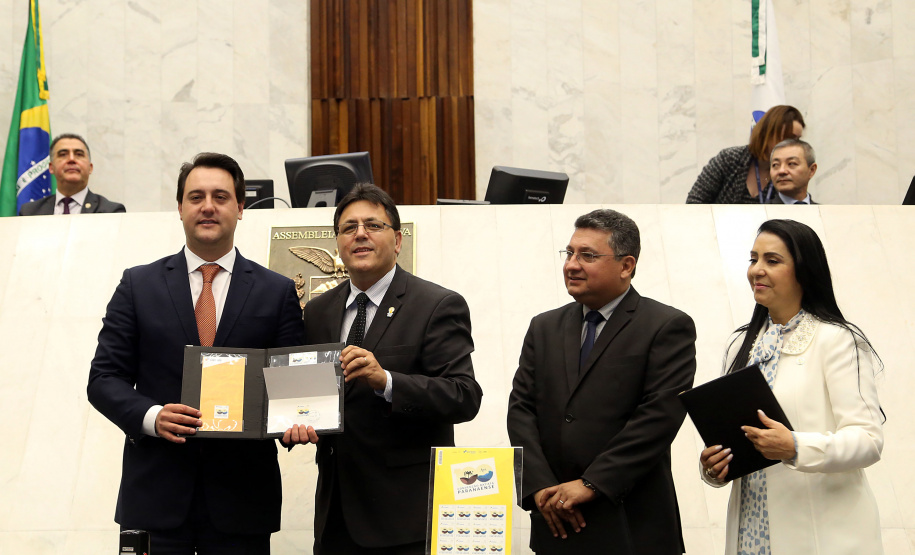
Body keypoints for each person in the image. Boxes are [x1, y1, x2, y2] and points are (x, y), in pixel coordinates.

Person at [87, 152, 304, 554]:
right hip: (155, 499)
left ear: (241, 208)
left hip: (242, 503)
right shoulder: (138, 285)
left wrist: (300, 421)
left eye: (221, 196)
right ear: (180, 208)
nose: (208, 206)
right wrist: (152, 417)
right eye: (196, 196)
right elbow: (104, 380)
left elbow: (292, 386)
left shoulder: (277, 292)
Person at [284, 183, 483, 555]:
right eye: (348, 227)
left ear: (397, 240)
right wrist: (291, 424)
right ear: (339, 243)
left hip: (405, 518)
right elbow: (306, 394)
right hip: (336, 515)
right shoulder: (318, 311)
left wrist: (387, 381)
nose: (360, 233)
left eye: (372, 225)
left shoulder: (437, 305)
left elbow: (464, 396)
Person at [506, 209, 697, 554]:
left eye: (587, 255)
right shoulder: (543, 327)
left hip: (630, 522)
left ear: (626, 265)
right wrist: (540, 488)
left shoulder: (666, 326)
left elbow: (658, 419)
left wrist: (592, 484)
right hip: (556, 522)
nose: (571, 264)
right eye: (569, 253)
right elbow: (521, 410)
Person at [700, 219, 884, 554]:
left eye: (772, 260)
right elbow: (733, 438)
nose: (757, 270)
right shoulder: (740, 344)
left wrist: (796, 446)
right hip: (750, 530)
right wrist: (715, 466)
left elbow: (868, 441)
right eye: (753, 259)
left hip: (821, 535)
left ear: (804, 270)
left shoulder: (838, 339)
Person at [686, 105, 805, 204]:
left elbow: (796, 209)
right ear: (768, 133)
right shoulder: (729, 159)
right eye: (788, 138)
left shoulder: (792, 170)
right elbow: (694, 202)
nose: (794, 145)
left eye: (797, 140)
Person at [18, 133, 125, 215]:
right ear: (51, 168)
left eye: (79, 154)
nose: (71, 159)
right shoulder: (30, 212)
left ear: (90, 168)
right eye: (63, 154)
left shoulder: (111, 212)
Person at [766, 139, 818, 204]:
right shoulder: (761, 213)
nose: (781, 171)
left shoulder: (825, 212)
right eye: (775, 165)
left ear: (811, 170)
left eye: (791, 163)